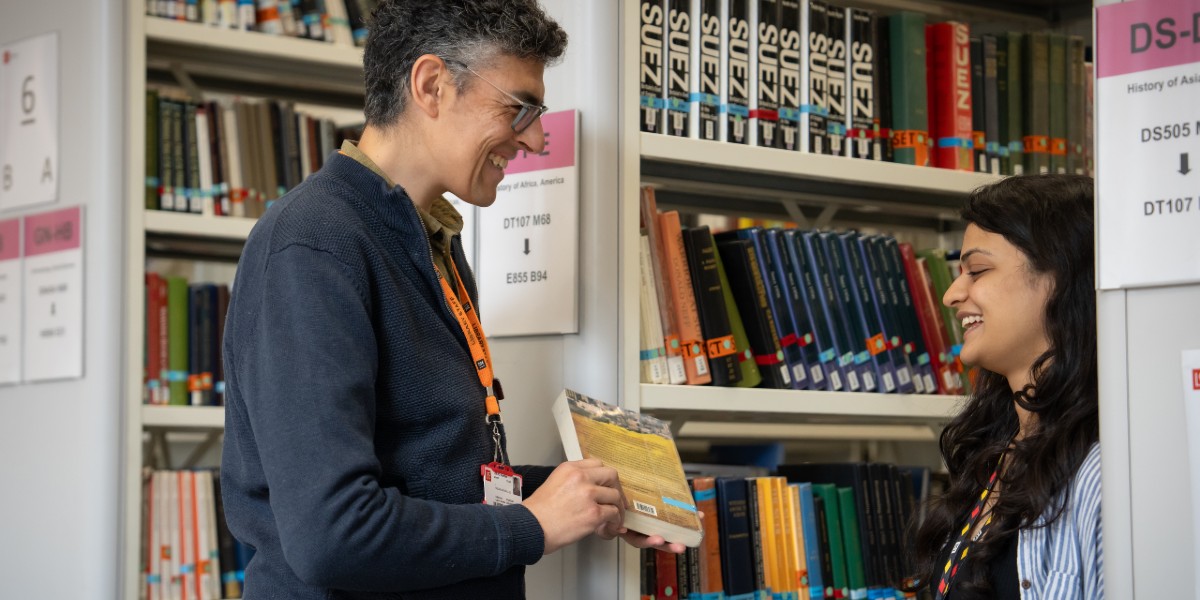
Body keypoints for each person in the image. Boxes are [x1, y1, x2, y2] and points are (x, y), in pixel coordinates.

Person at [219, 2, 684, 598]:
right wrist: (533, 527)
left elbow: (435, 476)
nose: (538, 139)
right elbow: (334, 536)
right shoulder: (314, 244)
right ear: (432, 85)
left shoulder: (426, 234)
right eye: (519, 108)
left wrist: (588, 495)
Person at [905, 174, 1102, 600]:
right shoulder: (995, 453)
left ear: (1062, 279)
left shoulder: (1106, 471)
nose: (951, 295)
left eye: (977, 270)